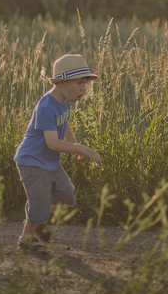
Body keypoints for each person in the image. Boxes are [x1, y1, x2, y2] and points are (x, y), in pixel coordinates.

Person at [13, 53, 102, 253]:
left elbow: (64, 121)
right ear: (61, 83)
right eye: (79, 83)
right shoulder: (46, 106)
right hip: (32, 161)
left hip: (49, 162)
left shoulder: (63, 102)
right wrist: (81, 149)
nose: (83, 89)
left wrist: (73, 142)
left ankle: (38, 221)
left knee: (65, 194)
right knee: (40, 202)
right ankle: (26, 238)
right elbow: (52, 143)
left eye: (85, 84)